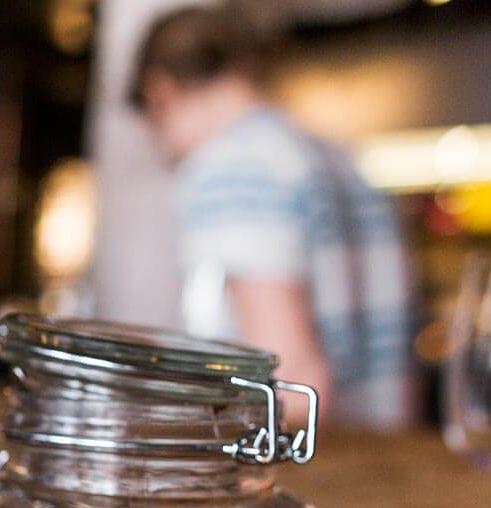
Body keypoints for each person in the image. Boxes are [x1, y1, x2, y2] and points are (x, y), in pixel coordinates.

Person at [129, 4, 413, 426]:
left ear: (161, 93)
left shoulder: (230, 168)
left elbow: (290, 381)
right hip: (384, 456)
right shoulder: (341, 161)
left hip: (304, 467)